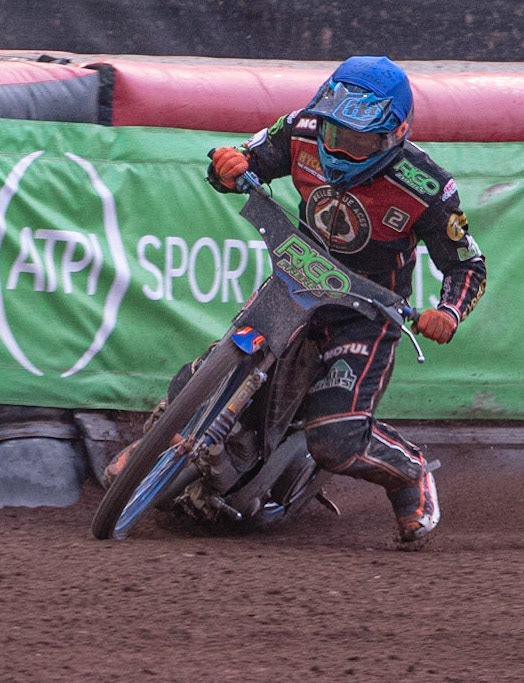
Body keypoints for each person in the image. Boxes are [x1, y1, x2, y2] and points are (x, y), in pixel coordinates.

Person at [110, 56, 487, 543]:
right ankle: (153, 445)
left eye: (360, 140)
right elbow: (243, 165)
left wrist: (448, 312)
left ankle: (409, 473)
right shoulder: (301, 129)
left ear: (395, 135)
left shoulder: (427, 187)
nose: (343, 149)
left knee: (335, 439)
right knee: (202, 372)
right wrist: (229, 167)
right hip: (296, 280)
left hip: (367, 312)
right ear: (322, 115)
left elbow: (467, 264)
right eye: (336, 133)